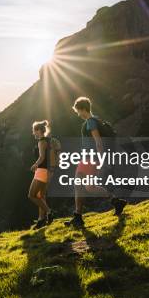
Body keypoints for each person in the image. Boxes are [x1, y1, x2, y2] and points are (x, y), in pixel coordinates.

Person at [65, 97, 127, 228]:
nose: (78, 114)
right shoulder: (96, 119)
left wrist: (101, 158)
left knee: (78, 185)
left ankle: (78, 217)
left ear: (83, 109)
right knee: (89, 187)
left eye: (78, 111)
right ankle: (116, 201)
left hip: (89, 158)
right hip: (91, 158)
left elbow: (98, 142)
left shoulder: (90, 122)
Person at [29, 120, 54, 229]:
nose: (33, 133)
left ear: (39, 130)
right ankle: (41, 220)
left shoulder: (41, 142)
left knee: (31, 195)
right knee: (41, 196)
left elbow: (42, 157)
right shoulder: (48, 140)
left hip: (42, 171)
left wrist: (35, 165)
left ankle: (49, 211)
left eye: (34, 130)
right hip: (47, 171)